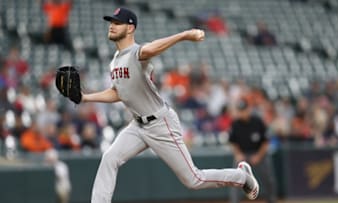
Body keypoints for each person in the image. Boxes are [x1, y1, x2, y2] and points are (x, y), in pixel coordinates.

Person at [79, 7, 259, 203]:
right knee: (110, 158)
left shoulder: (136, 53)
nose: (112, 26)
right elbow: (117, 93)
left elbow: (150, 49)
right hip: (137, 126)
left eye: (117, 22)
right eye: (111, 22)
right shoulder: (114, 61)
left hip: (160, 123)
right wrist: (85, 98)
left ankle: (241, 177)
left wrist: (184, 35)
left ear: (130, 28)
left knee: (193, 179)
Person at [228, 100, 277, 203]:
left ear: (248, 110)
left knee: (268, 179)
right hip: (243, 154)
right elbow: (233, 142)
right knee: (236, 179)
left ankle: (271, 200)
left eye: (244, 110)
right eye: (240, 111)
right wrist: (238, 154)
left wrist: (259, 156)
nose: (242, 113)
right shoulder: (235, 124)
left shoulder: (257, 121)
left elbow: (265, 141)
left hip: (259, 153)